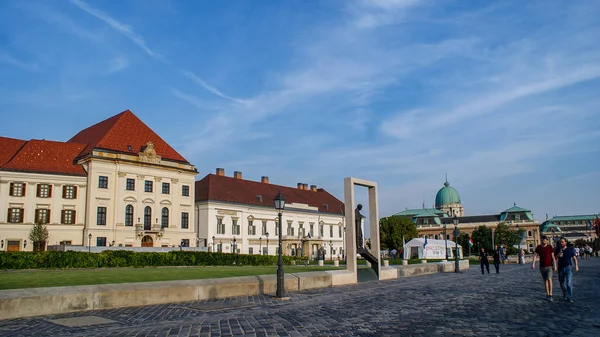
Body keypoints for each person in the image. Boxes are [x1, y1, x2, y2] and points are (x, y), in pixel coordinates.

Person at [532, 236, 557, 301]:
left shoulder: (549, 247)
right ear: (541, 240)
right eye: (543, 240)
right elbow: (535, 255)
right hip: (542, 266)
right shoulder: (538, 247)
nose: (544, 241)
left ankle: (551, 294)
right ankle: (547, 294)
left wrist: (555, 265)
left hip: (549, 266)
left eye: (545, 240)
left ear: (547, 240)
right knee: (545, 281)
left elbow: (553, 257)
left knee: (549, 279)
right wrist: (533, 263)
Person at [555, 238, 579, 302]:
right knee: (561, 283)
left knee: (569, 283)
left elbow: (574, 258)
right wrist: (558, 255)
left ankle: (569, 296)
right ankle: (565, 294)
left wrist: (576, 266)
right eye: (560, 242)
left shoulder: (570, 250)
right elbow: (554, 258)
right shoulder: (558, 250)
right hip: (560, 268)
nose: (561, 243)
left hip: (568, 267)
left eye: (562, 242)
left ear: (565, 242)